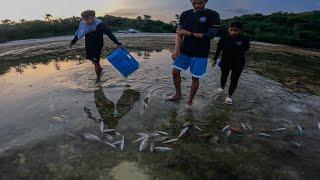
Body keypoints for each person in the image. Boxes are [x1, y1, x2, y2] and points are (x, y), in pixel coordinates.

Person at [169, 0, 220, 108]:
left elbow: (211, 35)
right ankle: (178, 94)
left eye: (200, 3)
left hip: (201, 52)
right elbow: (179, 34)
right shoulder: (185, 14)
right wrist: (176, 50)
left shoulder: (213, 15)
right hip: (184, 50)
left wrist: (190, 34)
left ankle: (190, 100)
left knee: (195, 78)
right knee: (175, 72)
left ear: (206, 1)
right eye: (194, 2)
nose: (197, 5)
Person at [70, 10, 123, 83]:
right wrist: (73, 42)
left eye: (92, 18)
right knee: (92, 60)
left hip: (98, 44)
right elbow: (79, 33)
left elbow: (109, 34)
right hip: (88, 44)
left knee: (96, 61)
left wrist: (118, 43)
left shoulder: (100, 24)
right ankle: (100, 69)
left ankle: (98, 79)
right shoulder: (83, 24)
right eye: (87, 19)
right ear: (84, 19)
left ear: (94, 17)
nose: (89, 21)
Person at [213, 21, 250, 105]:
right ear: (228, 29)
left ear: (240, 30)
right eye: (231, 30)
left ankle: (229, 96)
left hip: (238, 62)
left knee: (234, 79)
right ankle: (222, 87)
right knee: (224, 75)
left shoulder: (245, 38)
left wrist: (235, 50)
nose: (233, 32)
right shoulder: (224, 37)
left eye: (236, 30)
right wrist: (215, 59)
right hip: (225, 60)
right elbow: (219, 48)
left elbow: (246, 48)